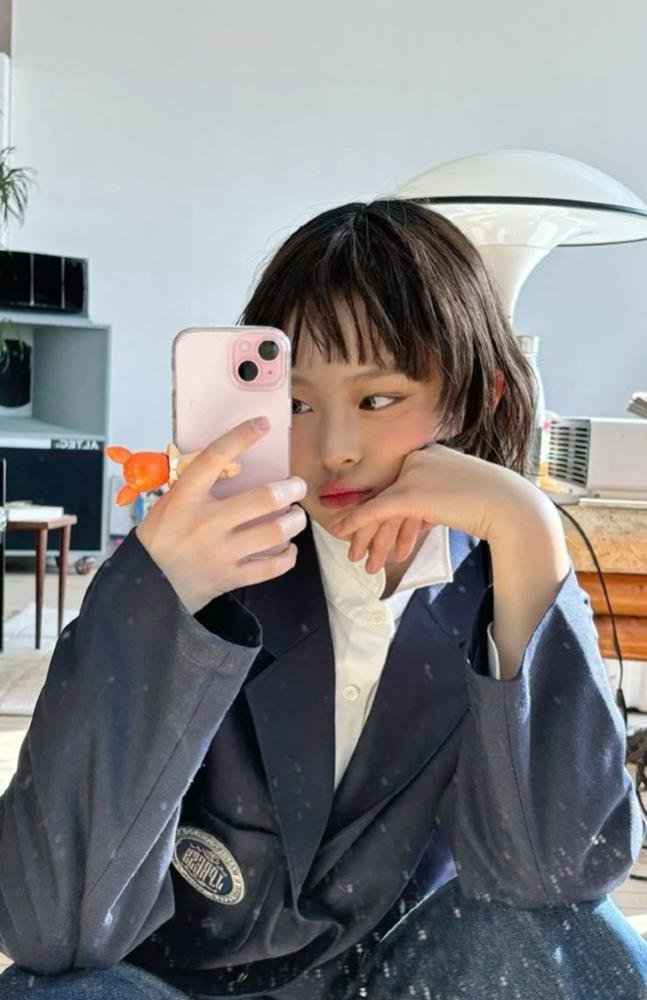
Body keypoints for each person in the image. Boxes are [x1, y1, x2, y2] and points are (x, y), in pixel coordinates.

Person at [0, 201, 645, 999]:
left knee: (580, 941)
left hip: (392, 981)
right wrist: (154, 594)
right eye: (297, 405)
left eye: (377, 401)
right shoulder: (205, 574)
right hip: (177, 985)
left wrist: (527, 528)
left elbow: (556, 887)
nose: (333, 448)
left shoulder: (491, 586)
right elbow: (51, 928)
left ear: (472, 397)